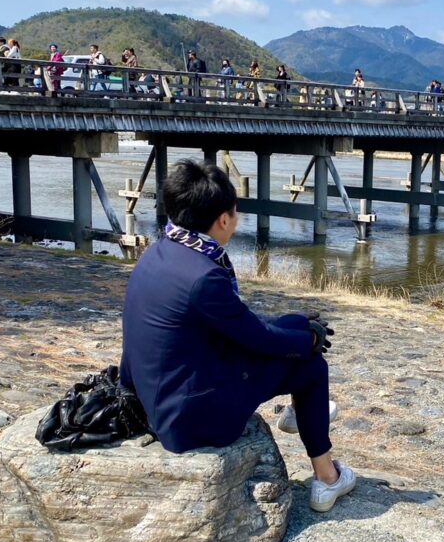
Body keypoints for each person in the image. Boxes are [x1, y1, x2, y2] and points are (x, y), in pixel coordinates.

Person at [120, 160, 355, 512]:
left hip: (161, 397)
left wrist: (299, 328)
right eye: (235, 212)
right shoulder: (204, 278)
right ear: (223, 220)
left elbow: (238, 325)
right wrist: (309, 342)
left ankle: (302, 412)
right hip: (193, 420)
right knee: (312, 367)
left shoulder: (159, 252)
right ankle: (327, 477)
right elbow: (256, 338)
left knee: (295, 322)